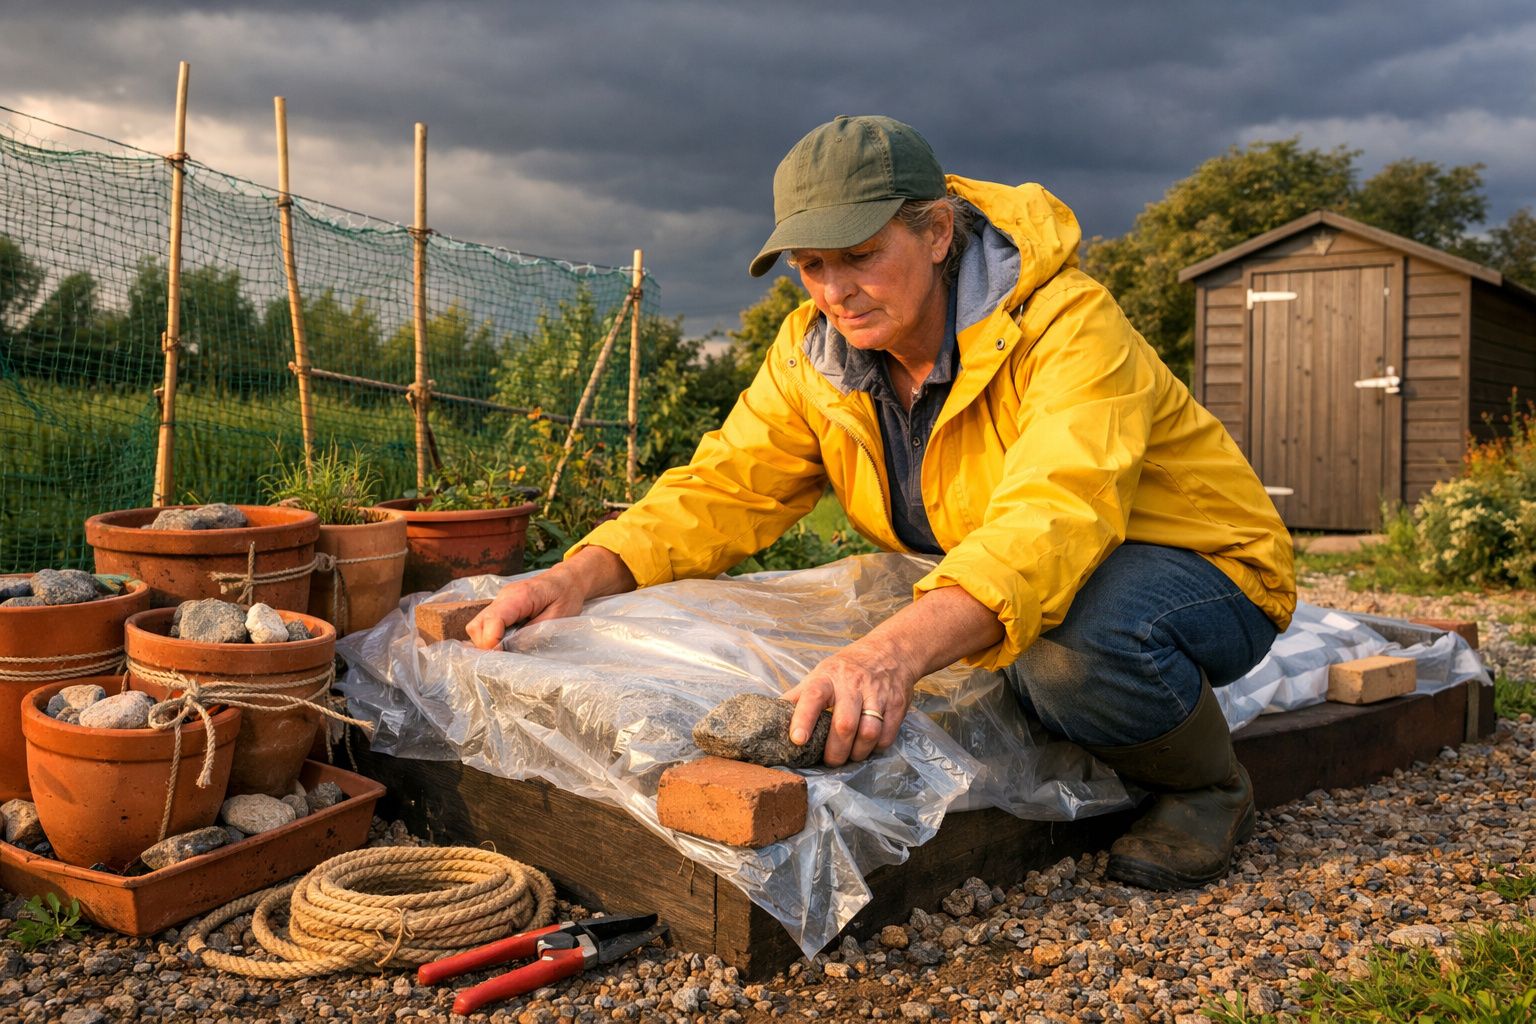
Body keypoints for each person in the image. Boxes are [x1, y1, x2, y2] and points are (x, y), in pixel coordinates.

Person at [467, 115, 1295, 890]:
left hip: (1203, 569)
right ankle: (1098, 714)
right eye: (812, 265)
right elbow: (722, 488)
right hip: (1030, 572)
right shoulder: (813, 356)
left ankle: (1208, 787)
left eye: (860, 255)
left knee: (1069, 652)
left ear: (937, 232)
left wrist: (890, 655)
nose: (836, 291)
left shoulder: (1068, 325)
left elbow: (1058, 512)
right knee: (976, 640)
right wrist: (578, 577)